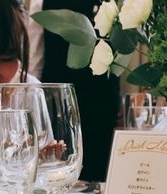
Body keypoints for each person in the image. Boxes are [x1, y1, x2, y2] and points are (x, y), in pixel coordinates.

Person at [39, 1, 120, 182]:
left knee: (98, 172)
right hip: (57, 99)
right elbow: (36, 52)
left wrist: (118, 98)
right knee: (57, 173)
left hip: (103, 101)